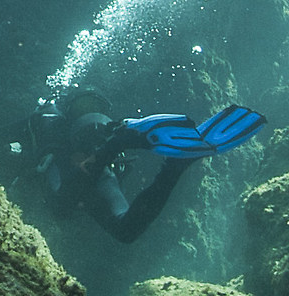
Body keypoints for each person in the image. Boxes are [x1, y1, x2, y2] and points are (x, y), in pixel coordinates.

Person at [22, 90, 265, 245]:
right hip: (96, 168)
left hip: (78, 170)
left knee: (63, 207)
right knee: (125, 231)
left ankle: (120, 144)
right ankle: (174, 166)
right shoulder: (63, 147)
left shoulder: (53, 148)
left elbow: (60, 206)